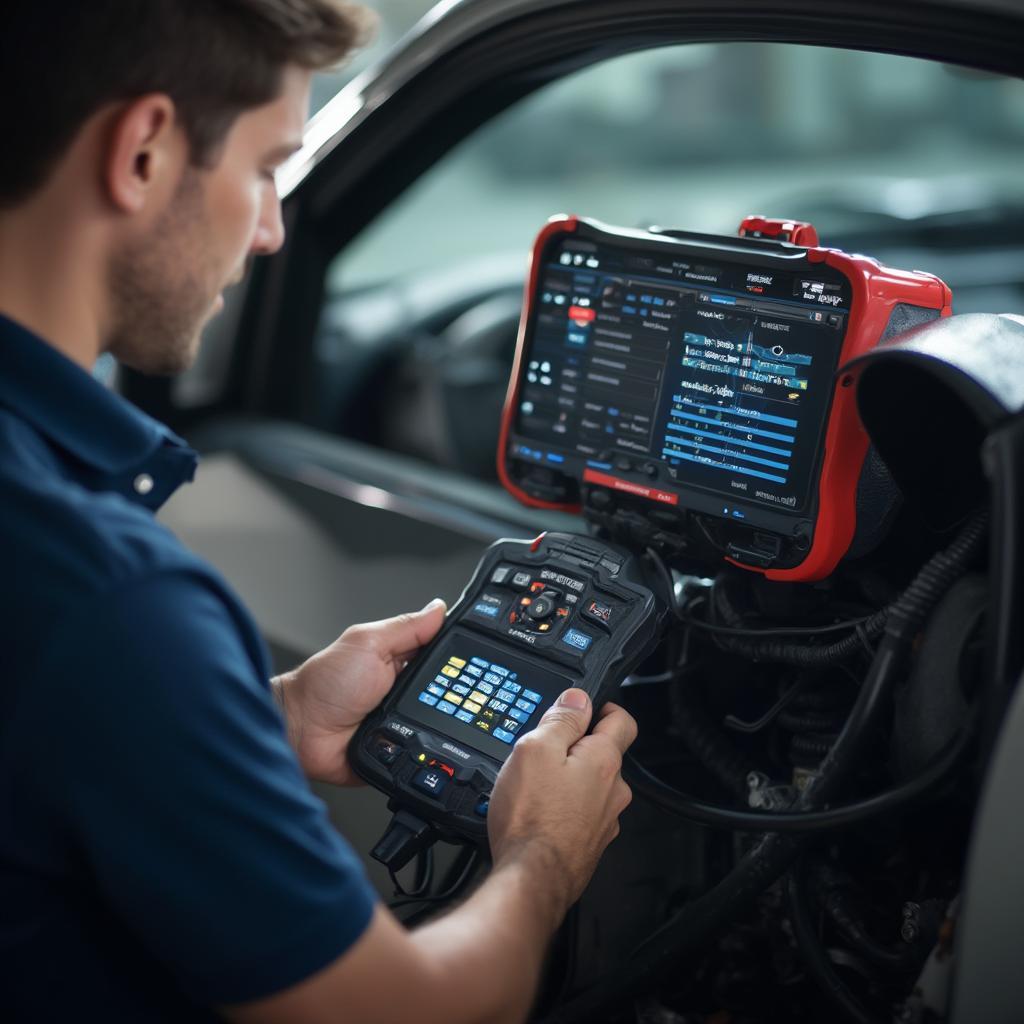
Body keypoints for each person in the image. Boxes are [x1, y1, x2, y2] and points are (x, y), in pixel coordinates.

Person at [0, 2, 638, 1022]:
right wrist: (544, 855)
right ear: (144, 152)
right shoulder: (106, 593)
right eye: (264, 169)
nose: (270, 231)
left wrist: (270, 715)